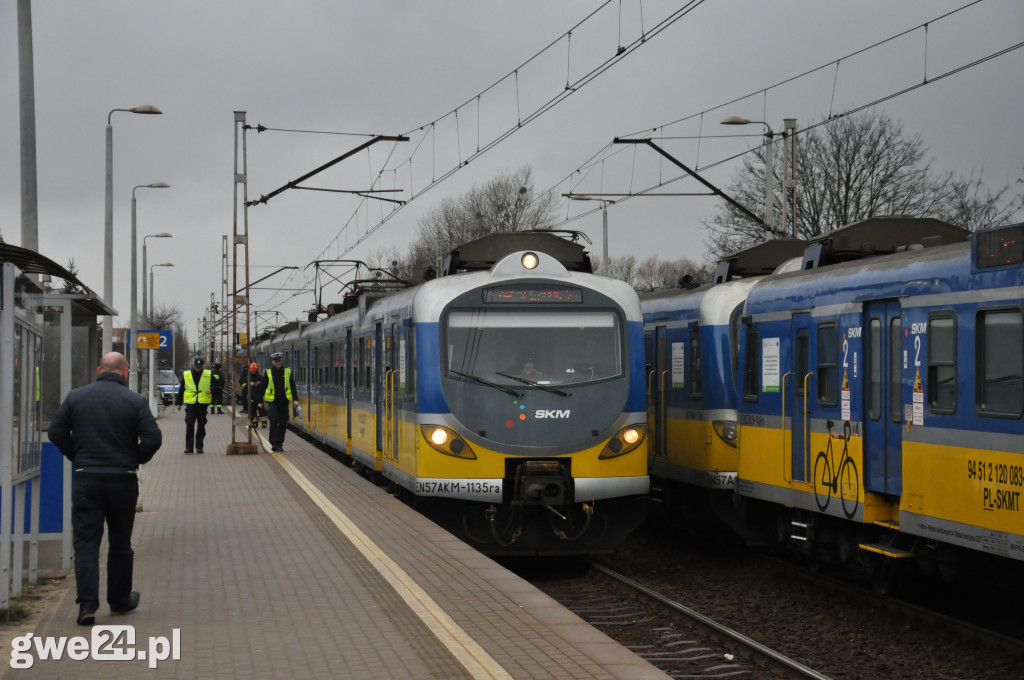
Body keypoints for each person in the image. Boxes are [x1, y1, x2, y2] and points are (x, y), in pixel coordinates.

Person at [47, 352, 162, 626]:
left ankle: (86, 606)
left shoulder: (76, 397)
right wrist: (135, 458)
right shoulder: (135, 401)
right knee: (121, 542)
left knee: (86, 543)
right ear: (124, 373)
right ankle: (120, 600)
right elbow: (153, 438)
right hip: (122, 481)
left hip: (88, 480)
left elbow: (56, 432)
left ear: (99, 370)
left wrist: (77, 455)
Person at [259, 352, 298, 452]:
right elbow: (262, 388)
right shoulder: (268, 373)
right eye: (276, 361)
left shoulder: (288, 372)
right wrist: (260, 401)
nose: (278, 363)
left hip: (284, 402)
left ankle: (280, 443)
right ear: (272, 362)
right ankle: (273, 443)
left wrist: (295, 400)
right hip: (273, 402)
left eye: (279, 361)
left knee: (283, 422)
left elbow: (293, 386)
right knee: (273, 420)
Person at [177, 357, 212, 454]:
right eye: (197, 367)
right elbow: (182, 389)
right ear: (194, 366)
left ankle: (199, 447)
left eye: (200, 367)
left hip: (202, 404)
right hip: (191, 404)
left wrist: (211, 390)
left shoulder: (208, 374)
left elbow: (217, 384)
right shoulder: (187, 374)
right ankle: (189, 447)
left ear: (202, 366)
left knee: (201, 425)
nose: (198, 369)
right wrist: (179, 403)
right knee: (189, 424)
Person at [242, 361, 267, 429]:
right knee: (252, 410)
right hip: (251, 396)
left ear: (257, 370)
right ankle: (254, 423)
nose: (253, 372)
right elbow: (243, 386)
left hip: (259, 396)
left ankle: (264, 422)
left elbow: (264, 385)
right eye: (252, 371)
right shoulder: (247, 378)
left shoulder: (261, 378)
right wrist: (248, 385)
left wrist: (257, 384)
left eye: (254, 371)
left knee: (261, 409)